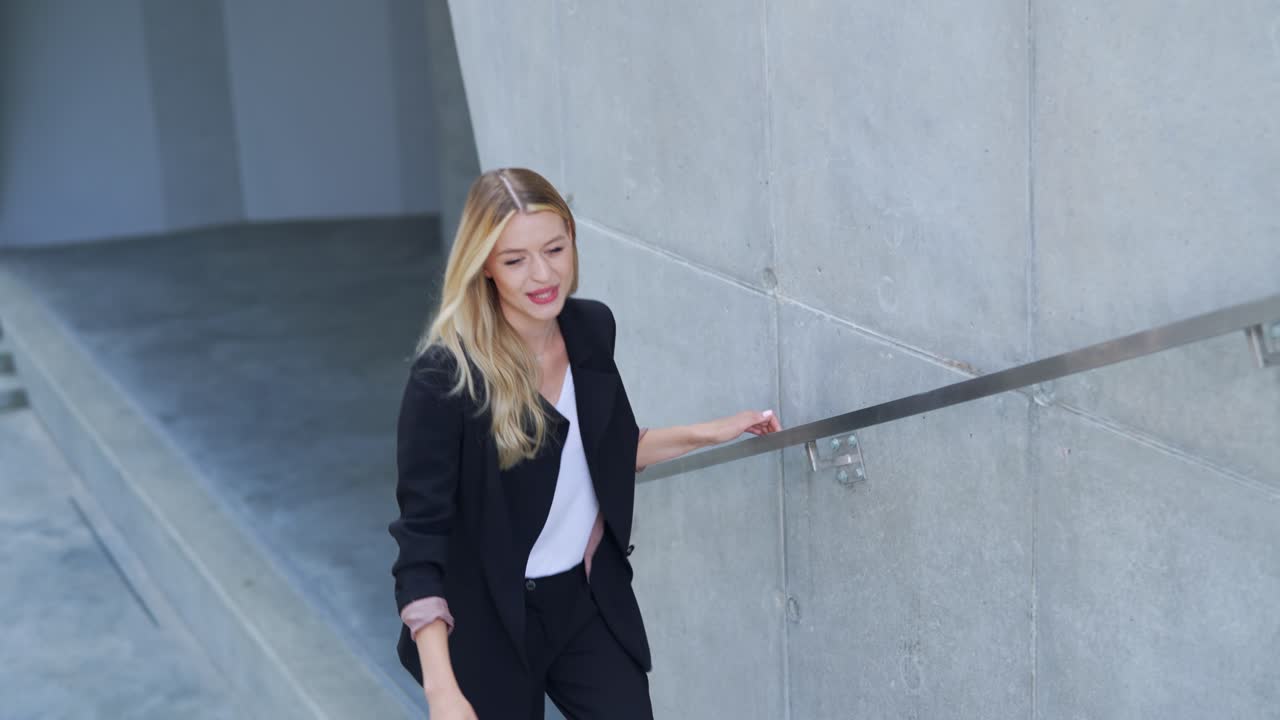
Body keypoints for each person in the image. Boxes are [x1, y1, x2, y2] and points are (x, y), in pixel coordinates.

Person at [389, 167, 782, 719]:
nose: (542, 273)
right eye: (515, 259)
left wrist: (712, 431)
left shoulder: (591, 328)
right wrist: (442, 691)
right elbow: (421, 542)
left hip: (583, 602)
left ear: (573, 238)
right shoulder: (446, 378)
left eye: (554, 247)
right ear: (484, 269)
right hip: (489, 621)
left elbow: (607, 451)